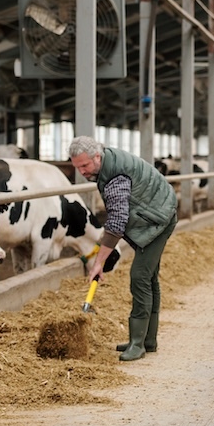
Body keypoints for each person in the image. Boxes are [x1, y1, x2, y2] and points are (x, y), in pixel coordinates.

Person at [69, 136, 178, 361]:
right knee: (149, 278)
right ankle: (148, 340)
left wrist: (98, 263)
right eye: (77, 167)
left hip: (158, 220)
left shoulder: (115, 177)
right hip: (157, 211)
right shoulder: (107, 164)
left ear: (97, 157)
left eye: (85, 165)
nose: (82, 172)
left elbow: (117, 222)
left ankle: (138, 344)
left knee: (140, 276)